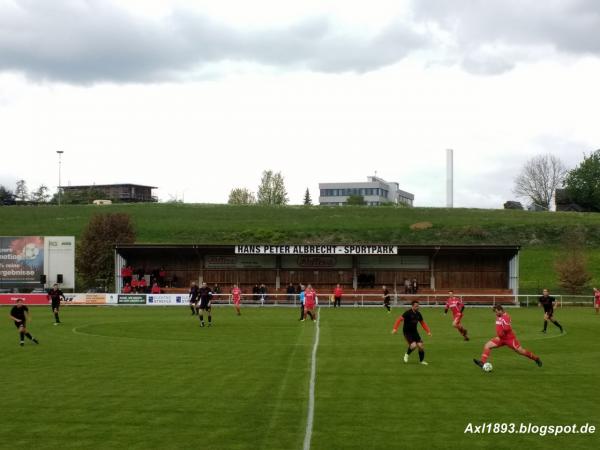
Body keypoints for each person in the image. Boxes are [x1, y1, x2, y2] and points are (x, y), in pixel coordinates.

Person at [474, 305, 542, 369]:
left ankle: (536, 358)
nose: (495, 313)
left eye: (496, 311)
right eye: (495, 312)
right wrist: (499, 336)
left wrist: (501, 334)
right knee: (487, 345)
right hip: (501, 338)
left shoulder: (506, 317)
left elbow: (507, 328)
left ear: (500, 310)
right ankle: (482, 362)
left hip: (510, 339)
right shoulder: (499, 316)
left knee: (521, 351)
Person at [391, 300, 431, 365]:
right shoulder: (407, 313)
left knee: (421, 346)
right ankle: (406, 355)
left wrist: (428, 331)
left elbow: (422, 323)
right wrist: (395, 329)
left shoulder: (418, 314)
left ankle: (421, 361)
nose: (417, 307)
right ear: (412, 306)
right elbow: (399, 320)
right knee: (413, 345)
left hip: (415, 332)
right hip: (407, 332)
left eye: (418, 306)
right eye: (416, 306)